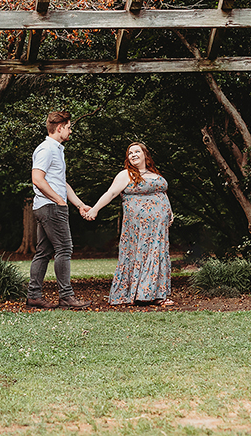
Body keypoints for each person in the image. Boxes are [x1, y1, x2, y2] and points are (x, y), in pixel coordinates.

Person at [83, 142, 174, 306]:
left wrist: (169, 211)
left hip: (159, 228)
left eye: (137, 151)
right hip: (138, 227)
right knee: (140, 255)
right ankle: (138, 294)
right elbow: (110, 193)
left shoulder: (154, 173)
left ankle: (157, 295)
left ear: (145, 154)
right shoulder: (126, 175)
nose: (133, 155)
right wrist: (95, 209)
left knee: (156, 255)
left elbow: (162, 194)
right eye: (130, 153)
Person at [27, 111, 92, 309]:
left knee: (44, 252)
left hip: (48, 207)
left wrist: (79, 204)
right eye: (69, 127)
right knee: (64, 249)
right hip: (51, 208)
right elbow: (37, 179)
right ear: (59, 128)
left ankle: (34, 296)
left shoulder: (57, 149)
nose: (71, 131)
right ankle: (66, 297)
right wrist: (58, 201)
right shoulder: (47, 149)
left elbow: (60, 183)